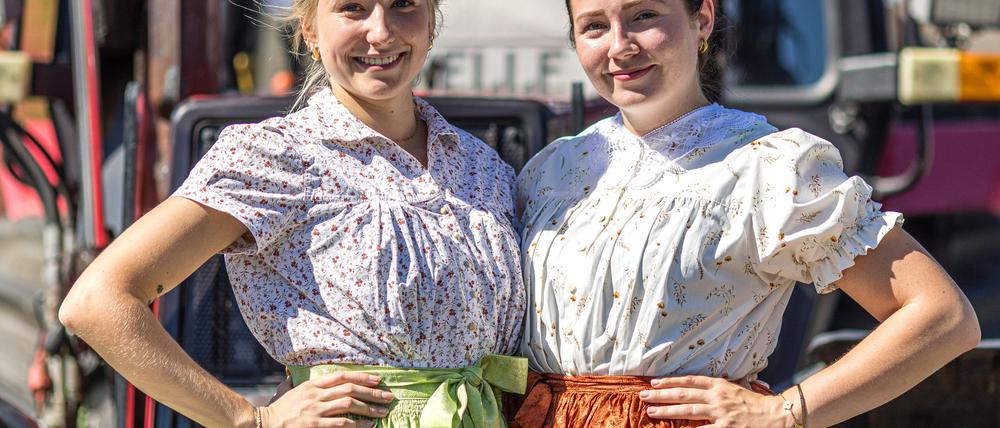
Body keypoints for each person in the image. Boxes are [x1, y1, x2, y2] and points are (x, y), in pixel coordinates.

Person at [510, 0, 981, 427]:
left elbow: (942, 315)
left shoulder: (769, 166)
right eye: (594, 27)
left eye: (644, 16)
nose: (619, 46)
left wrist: (785, 411)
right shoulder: (553, 168)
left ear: (703, 20)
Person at [58, 0, 527, 426]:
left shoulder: (481, 165)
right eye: (353, 8)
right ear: (309, 31)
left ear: (431, 21)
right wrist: (249, 419)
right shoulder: (277, 155)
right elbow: (97, 302)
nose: (381, 32)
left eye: (403, 4)